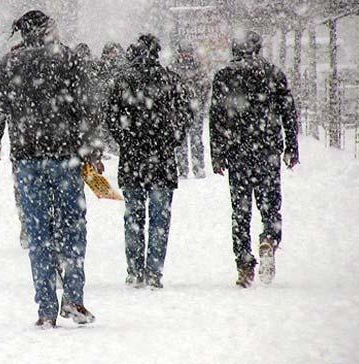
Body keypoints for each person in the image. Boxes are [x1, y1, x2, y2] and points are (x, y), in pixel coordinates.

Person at [0, 10, 102, 328]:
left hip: (27, 157)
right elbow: (86, 107)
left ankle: (45, 309)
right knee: (72, 229)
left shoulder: (9, 63)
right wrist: (92, 150)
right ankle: (74, 299)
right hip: (65, 155)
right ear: (47, 30)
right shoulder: (67, 58)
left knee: (39, 234)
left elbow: (0, 104)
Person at [209, 30, 299, 288]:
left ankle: (244, 264)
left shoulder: (224, 75)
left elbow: (217, 117)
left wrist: (218, 153)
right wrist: (291, 147)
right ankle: (269, 238)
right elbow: (288, 113)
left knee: (240, 211)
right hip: (267, 149)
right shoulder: (273, 74)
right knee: (270, 203)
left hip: (238, 151)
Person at [105, 34, 190, 289]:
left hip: (133, 159)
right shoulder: (171, 80)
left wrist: (125, 139)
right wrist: (171, 140)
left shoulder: (123, 81)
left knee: (134, 217)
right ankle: (154, 271)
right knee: (159, 219)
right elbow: (185, 115)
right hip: (162, 160)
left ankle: (134, 271)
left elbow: (111, 116)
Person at [170, 41, 210, 178]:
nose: (186, 55)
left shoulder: (198, 68)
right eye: (183, 52)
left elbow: (205, 87)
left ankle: (198, 167)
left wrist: (200, 103)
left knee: (196, 140)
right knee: (180, 141)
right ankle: (182, 169)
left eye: (188, 52)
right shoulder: (173, 68)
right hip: (179, 111)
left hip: (195, 110)